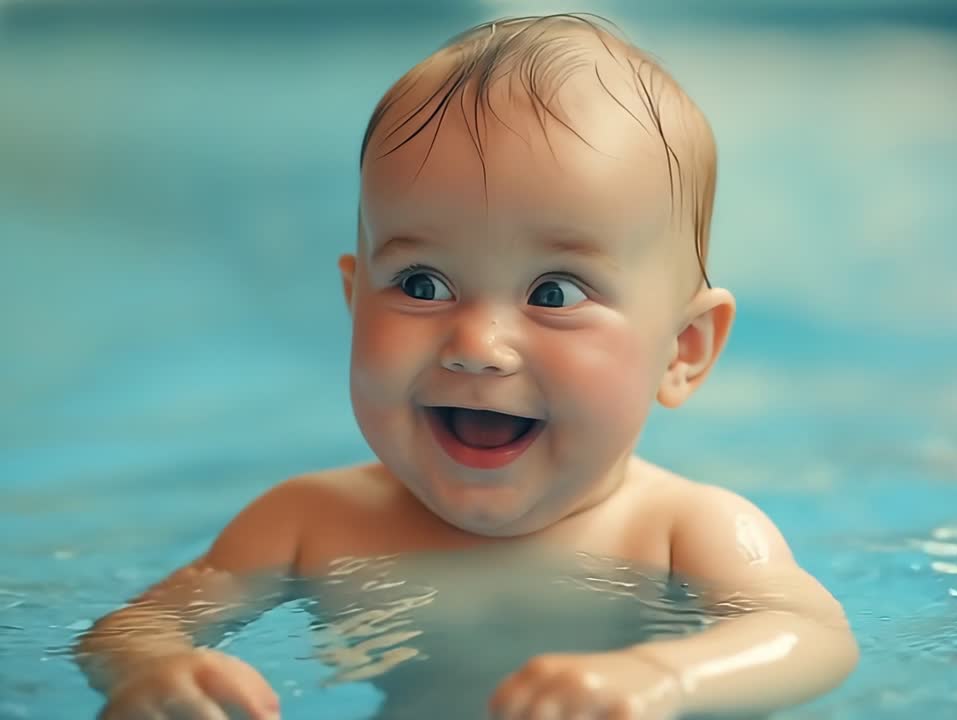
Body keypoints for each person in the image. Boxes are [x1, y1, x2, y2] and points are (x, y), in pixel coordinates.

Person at [77, 14, 858, 719]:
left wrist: (665, 677)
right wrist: (153, 669)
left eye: (554, 293)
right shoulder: (307, 523)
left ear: (683, 351)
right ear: (356, 300)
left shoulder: (683, 532)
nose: (478, 345)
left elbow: (810, 637)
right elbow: (138, 626)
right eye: (422, 285)